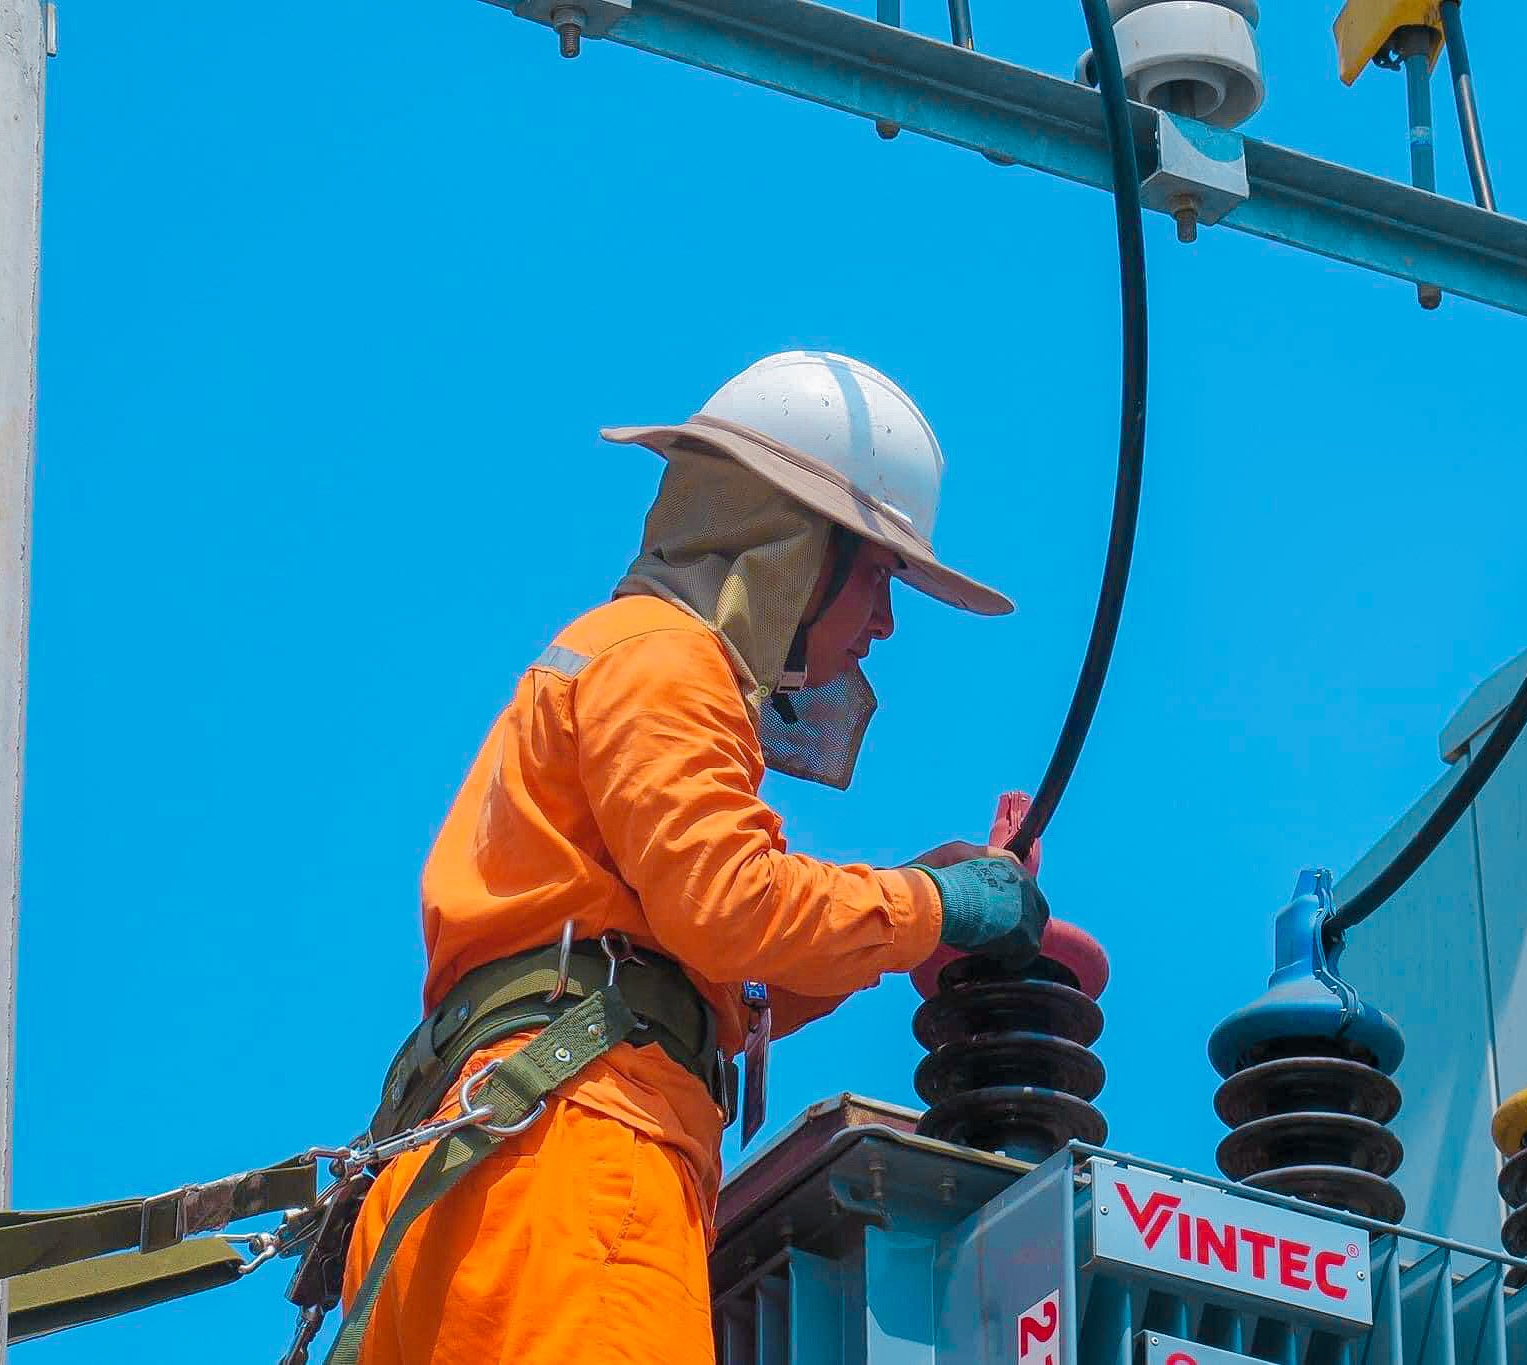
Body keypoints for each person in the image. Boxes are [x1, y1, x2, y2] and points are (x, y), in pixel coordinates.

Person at [336, 351, 1050, 1364]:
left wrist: (916, 906)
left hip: (469, 1191)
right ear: (797, 551)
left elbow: (715, 963)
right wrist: (932, 907)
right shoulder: (668, 661)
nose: (885, 625)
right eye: (880, 578)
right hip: (580, 1165)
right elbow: (732, 907)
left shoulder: (611, 661)